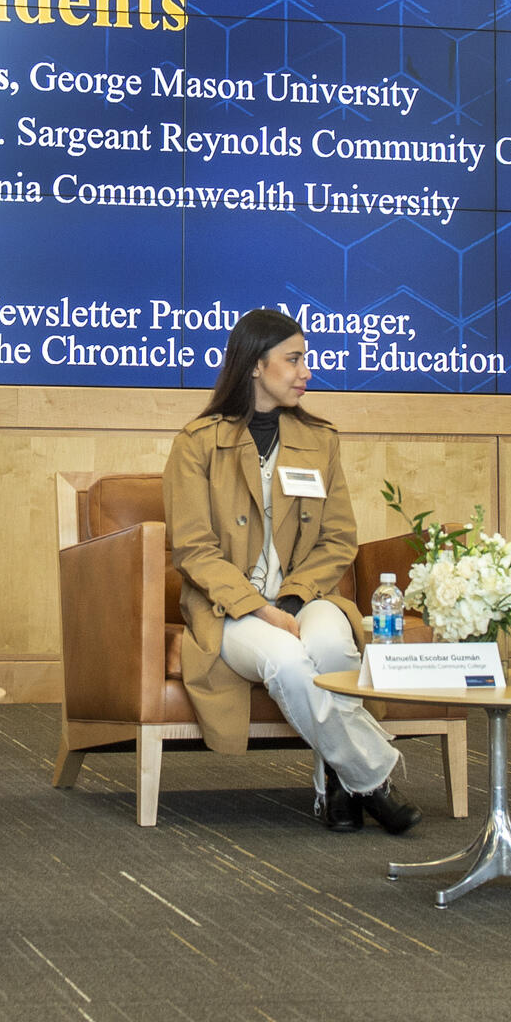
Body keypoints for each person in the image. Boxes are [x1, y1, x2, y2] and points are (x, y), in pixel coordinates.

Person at [161, 308, 419, 833]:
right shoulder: (197, 442)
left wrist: (295, 599)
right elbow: (193, 548)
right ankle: (373, 777)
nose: (306, 371)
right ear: (256, 365)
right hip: (229, 609)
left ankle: (342, 782)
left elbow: (338, 538)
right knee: (290, 662)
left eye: (305, 359)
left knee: (331, 651)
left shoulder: (321, 440)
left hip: (308, 597)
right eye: (294, 359)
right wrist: (259, 608)